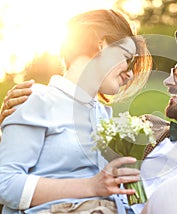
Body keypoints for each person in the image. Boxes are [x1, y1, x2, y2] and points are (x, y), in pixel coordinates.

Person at [1, 27, 177, 214]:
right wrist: (15, 120)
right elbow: (57, 154)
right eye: (172, 70)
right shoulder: (137, 129)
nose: (169, 81)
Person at [0, 9, 153, 214]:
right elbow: (5, 183)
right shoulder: (37, 99)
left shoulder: (105, 116)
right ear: (102, 44)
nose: (131, 72)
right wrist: (91, 186)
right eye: (128, 58)